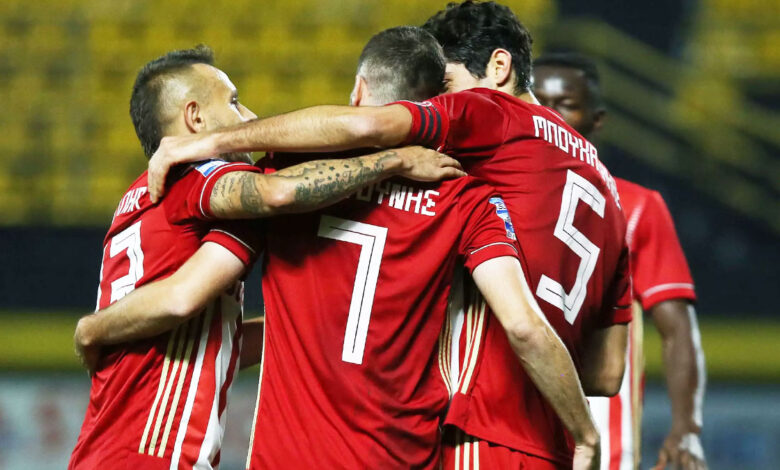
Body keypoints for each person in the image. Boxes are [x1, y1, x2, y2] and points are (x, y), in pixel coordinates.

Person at [145, 4, 632, 467]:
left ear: (498, 68)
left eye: (447, 86)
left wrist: (210, 142)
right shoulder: (605, 194)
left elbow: (367, 125)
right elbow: (608, 373)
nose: (441, 102)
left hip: (480, 428)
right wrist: (578, 423)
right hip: (541, 435)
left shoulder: (488, 127)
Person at [68, 45, 458, 470]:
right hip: (151, 454)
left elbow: (211, 343)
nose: (250, 117)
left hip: (100, 450)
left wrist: (307, 331)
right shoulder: (197, 178)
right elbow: (272, 197)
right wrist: (395, 160)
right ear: (195, 117)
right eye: (234, 102)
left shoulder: (138, 199)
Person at [533, 51, 707, 470]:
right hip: (502, 427)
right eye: (538, 102)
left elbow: (678, 330)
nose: (550, 115)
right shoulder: (485, 195)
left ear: (597, 119)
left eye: (566, 104)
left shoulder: (637, 207)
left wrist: (687, 427)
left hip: (603, 439)